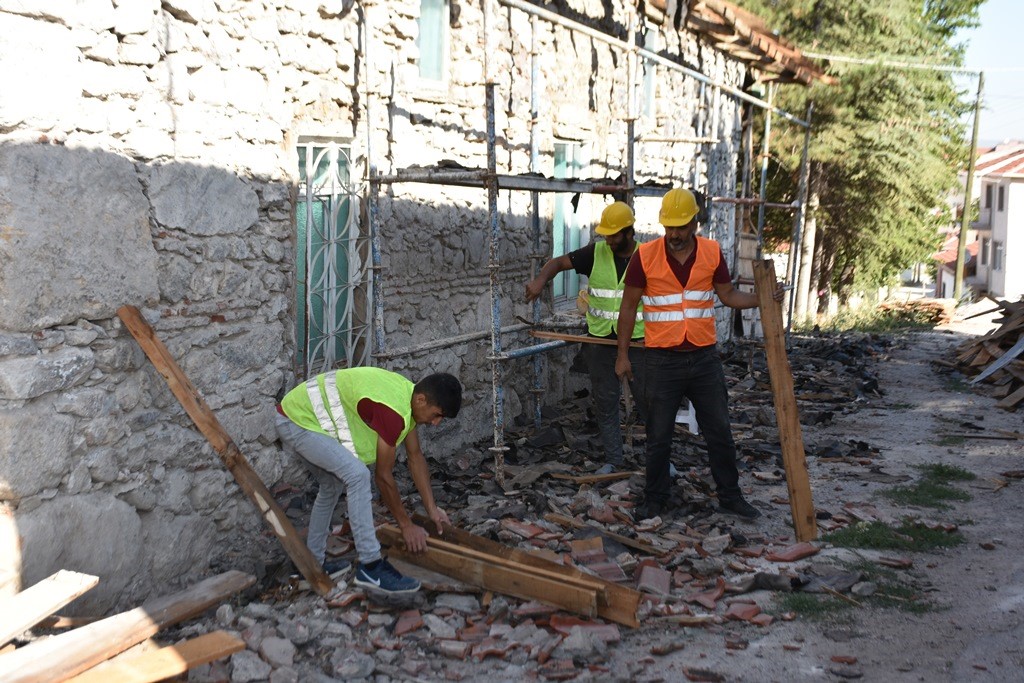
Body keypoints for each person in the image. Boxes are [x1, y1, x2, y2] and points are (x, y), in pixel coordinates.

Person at [614, 188, 783, 520]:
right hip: (661, 361)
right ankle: (655, 498)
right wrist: (622, 356)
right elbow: (628, 308)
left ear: (695, 222)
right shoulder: (644, 256)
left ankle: (730, 496)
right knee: (658, 435)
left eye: (681, 226)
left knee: (719, 430)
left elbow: (729, 295)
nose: (675, 234)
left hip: (704, 359)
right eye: (670, 227)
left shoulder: (711, 251)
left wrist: (763, 299)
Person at [275, 367, 462, 593]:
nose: (436, 423)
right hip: (296, 420)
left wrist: (432, 509)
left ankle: (312, 564)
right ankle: (371, 567)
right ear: (422, 400)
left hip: (301, 417)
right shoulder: (393, 410)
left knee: (331, 485)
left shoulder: (408, 400)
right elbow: (383, 477)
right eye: (436, 415)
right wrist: (406, 525)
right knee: (357, 475)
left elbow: (415, 456)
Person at [525, 201, 646, 474]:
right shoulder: (595, 252)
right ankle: (614, 460)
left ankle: (662, 462)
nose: (609, 240)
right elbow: (557, 263)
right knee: (605, 402)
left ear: (629, 232)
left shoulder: (648, 255)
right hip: (600, 340)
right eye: (606, 235)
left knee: (650, 403)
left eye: (614, 235)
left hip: (640, 342)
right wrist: (540, 281)